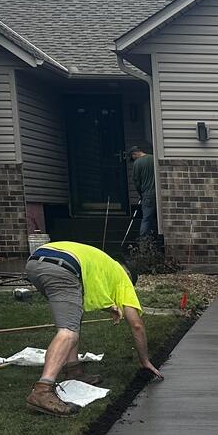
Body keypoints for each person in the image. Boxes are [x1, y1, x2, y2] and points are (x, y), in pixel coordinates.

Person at [22, 241, 163, 416]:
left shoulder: (102, 264)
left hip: (37, 261)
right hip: (62, 268)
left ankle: (73, 370)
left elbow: (89, 295)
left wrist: (108, 307)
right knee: (68, 332)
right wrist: (145, 361)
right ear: (128, 274)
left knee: (73, 319)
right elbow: (136, 325)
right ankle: (43, 390)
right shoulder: (122, 277)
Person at [128, 144, 157, 240]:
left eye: (132, 157)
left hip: (147, 194)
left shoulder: (137, 163)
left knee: (146, 218)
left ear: (134, 154)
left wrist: (140, 194)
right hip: (157, 192)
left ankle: (144, 240)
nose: (133, 159)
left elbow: (136, 181)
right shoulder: (153, 158)